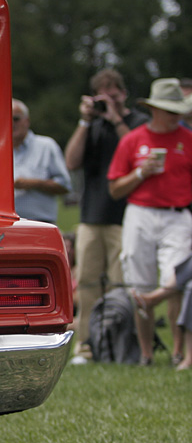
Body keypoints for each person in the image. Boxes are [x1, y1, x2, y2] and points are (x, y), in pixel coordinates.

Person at [63, 69, 149, 363]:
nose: (108, 102)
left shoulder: (138, 123)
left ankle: (117, 344)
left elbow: (139, 152)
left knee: (120, 284)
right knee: (86, 284)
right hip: (91, 216)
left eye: (114, 95)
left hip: (125, 216)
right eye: (103, 97)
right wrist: (86, 121)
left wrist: (116, 119)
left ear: (123, 94)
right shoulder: (93, 126)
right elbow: (71, 161)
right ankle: (86, 345)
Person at [107, 77, 192, 366]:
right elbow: (115, 189)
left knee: (176, 280)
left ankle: (178, 351)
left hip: (177, 215)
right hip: (140, 213)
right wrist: (141, 173)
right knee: (139, 283)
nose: (177, 117)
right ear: (155, 109)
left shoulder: (188, 139)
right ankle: (146, 354)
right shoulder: (133, 139)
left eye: (178, 111)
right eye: (171, 111)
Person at [11, 99, 71, 223]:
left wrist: (35, 183)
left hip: (41, 222)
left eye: (16, 119)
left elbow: (65, 185)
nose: (11, 123)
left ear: (27, 121)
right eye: (7, 119)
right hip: (7, 224)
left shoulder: (46, 146)